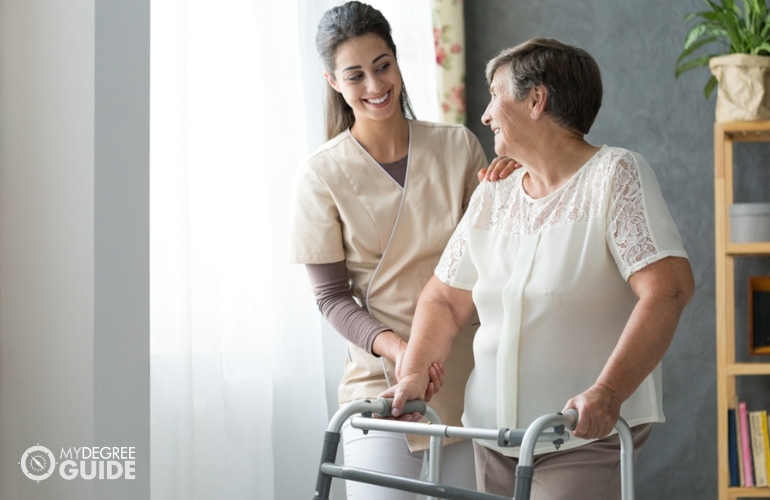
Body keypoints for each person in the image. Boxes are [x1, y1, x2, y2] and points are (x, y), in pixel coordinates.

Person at [382, 38, 695, 500]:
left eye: (495, 95)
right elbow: (445, 299)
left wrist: (608, 392)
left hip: (582, 433)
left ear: (536, 100)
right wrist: (413, 372)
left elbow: (668, 289)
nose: (486, 115)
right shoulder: (496, 191)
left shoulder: (615, 175)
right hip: (491, 436)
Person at [287, 2, 516, 498]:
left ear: (396, 59)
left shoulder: (458, 147)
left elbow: (496, 261)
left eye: (382, 65)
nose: (374, 85)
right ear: (332, 82)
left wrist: (515, 185)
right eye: (355, 75)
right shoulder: (320, 175)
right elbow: (332, 299)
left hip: (464, 383)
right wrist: (405, 352)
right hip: (379, 392)